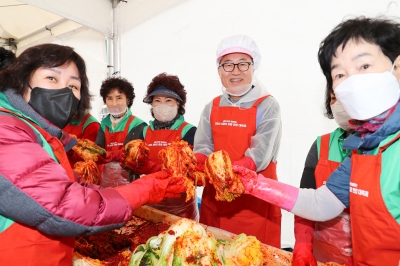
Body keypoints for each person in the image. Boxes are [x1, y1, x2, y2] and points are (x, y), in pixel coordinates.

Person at [233, 17, 400, 265]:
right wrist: (255, 184)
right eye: (340, 74)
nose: (352, 81)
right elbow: (321, 203)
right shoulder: (364, 150)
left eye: (364, 66)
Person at [0, 43, 185, 265]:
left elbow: (73, 188)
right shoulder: (6, 129)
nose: (64, 91)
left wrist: (133, 188)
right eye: (52, 78)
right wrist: (142, 190)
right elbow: (66, 205)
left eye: (73, 86)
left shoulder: (39, 134)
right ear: (21, 80)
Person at [193, 34, 282, 247]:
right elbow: (203, 146)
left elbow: (259, 155)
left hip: (254, 203)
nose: (235, 71)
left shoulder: (267, 105)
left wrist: (225, 173)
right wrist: (193, 163)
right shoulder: (211, 107)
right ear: (219, 70)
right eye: (228, 65)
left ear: (253, 68)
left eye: (243, 64)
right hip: (215, 204)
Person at [293, 92, 353, 265]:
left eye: (343, 97)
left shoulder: (386, 147)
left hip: (369, 255)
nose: (337, 104)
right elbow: (305, 200)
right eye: (333, 99)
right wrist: (303, 245)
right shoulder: (321, 145)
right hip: (322, 255)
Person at [142, 72, 198, 221]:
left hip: (181, 207)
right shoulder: (143, 131)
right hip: (150, 204)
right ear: (151, 104)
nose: (162, 105)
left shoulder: (190, 131)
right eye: (157, 100)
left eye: (168, 100)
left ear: (178, 103)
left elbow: (192, 171)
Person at [95, 77, 147, 187]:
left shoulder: (138, 124)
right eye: (109, 98)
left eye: (119, 98)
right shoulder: (104, 124)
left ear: (127, 99)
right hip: (107, 181)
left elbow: (130, 154)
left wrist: (108, 155)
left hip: (129, 181)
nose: (114, 103)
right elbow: (98, 151)